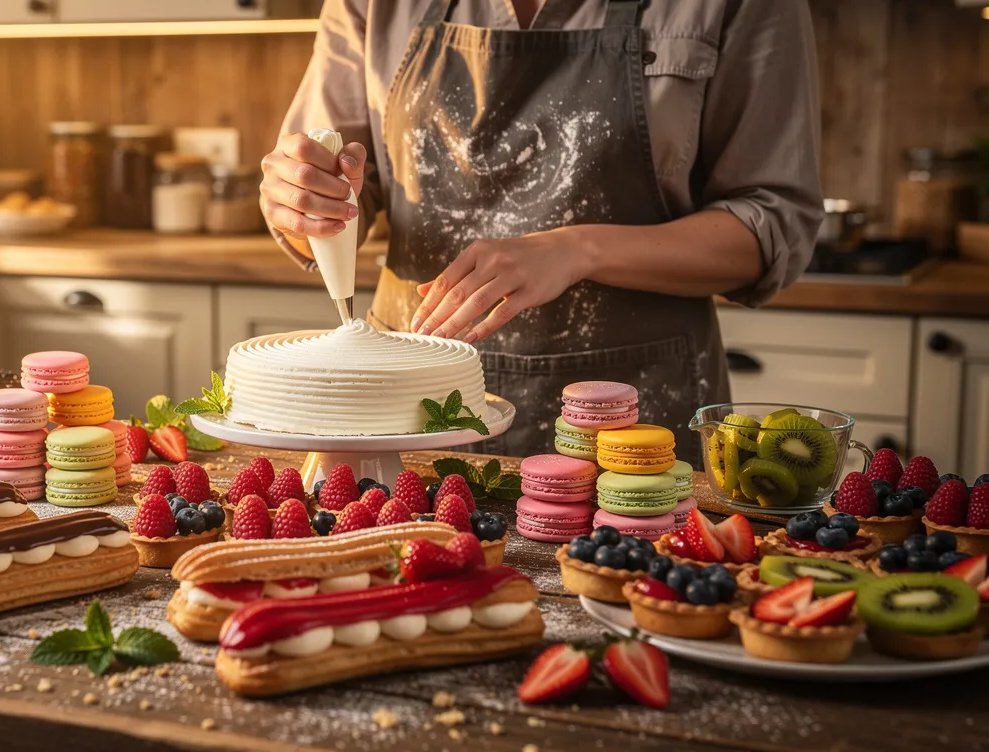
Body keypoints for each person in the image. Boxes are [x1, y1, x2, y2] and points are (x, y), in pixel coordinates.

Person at [259, 0, 823, 460]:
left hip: (633, 419)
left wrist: (579, 249)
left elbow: (773, 223)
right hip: (411, 411)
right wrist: (303, 199)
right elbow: (337, 190)